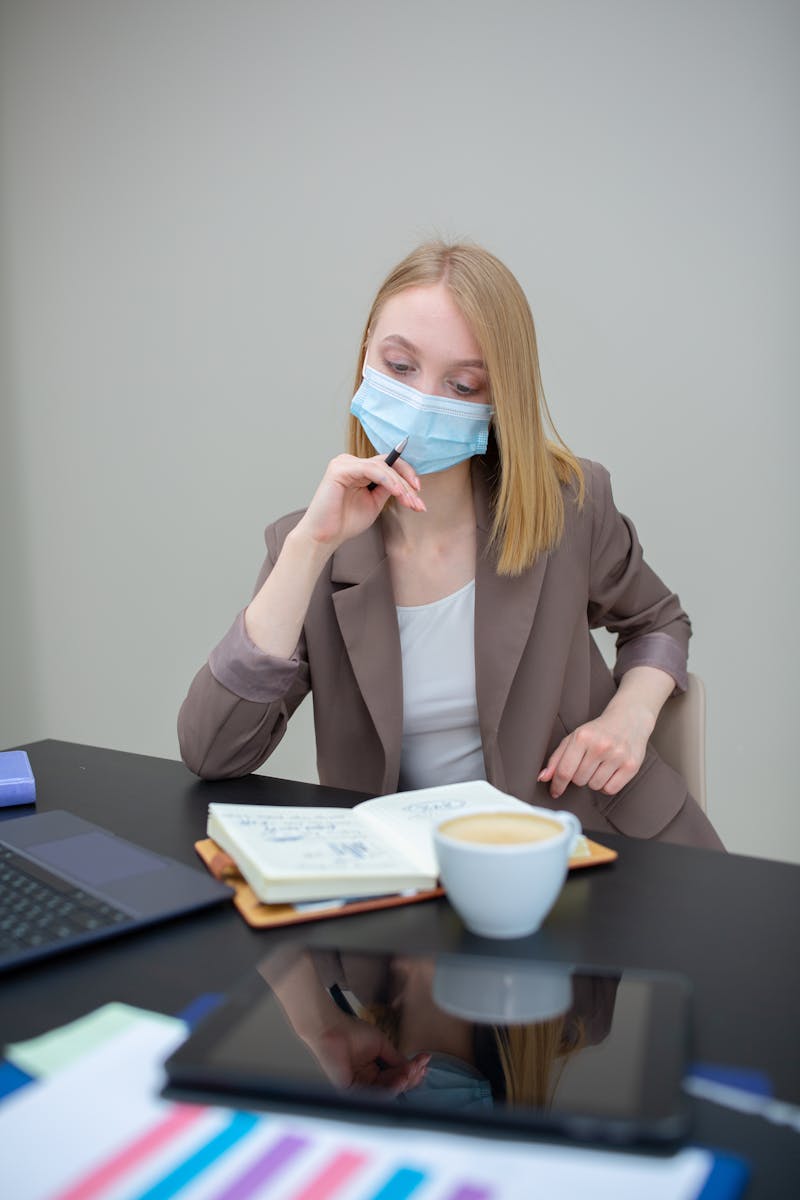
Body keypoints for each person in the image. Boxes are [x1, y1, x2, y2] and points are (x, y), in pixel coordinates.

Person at [178, 240, 723, 849]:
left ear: (499, 401)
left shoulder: (570, 503)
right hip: (416, 885)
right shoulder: (308, 547)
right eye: (401, 367)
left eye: (463, 385)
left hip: (598, 851)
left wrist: (632, 715)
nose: (422, 403)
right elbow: (213, 751)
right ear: (365, 358)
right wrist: (310, 547)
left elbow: (658, 621)